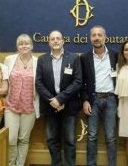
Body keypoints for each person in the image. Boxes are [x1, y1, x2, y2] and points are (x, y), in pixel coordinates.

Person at [35, 30, 82, 166]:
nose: (55, 41)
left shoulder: (73, 58)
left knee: (70, 140)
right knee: (51, 140)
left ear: (63, 41)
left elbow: (78, 81)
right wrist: (53, 100)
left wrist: (60, 99)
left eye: (58, 38)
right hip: (50, 107)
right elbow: (38, 83)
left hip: (69, 106)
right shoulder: (42, 59)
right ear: (49, 42)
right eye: (52, 39)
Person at [80, 25, 118, 166]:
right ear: (90, 38)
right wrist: (85, 100)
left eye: (99, 35)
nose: (96, 38)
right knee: (92, 136)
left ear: (105, 37)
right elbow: (81, 81)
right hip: (93, 100)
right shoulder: (84, 57)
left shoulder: (115, 55)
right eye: (94, 35)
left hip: (111, 100)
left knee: (111, 137)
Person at [4, 34, 40, 166]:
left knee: (24, 139)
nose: (24, 46)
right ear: (17, 46)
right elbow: (4, 80)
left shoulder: (38, 61)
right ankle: (10, 164)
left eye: (27, 43)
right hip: (11, 105)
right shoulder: (9, 60)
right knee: (11, 139)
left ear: (31, 46)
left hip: (29, 106)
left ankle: (20, 164)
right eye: (21, 44)